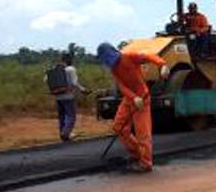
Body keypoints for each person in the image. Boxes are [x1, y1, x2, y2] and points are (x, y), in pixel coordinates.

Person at [96, 42, 167, 173]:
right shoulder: (114, 68)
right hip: (129, 100)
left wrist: (162, 64)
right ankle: (137, 154)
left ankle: (146, 163)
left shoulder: (129, 57)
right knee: (119, 127)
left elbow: (149, 56)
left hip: (143, 99)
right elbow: (122, 85)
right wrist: (133, 97)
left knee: (142, 134)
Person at [46, 52, 89, 142]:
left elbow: (46, 79)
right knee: (71, 115)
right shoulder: (71, 69)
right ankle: (65, 133)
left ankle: (63, 134)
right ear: (70, 59)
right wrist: (83, 89)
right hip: (68, 96)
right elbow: (74, 83)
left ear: (61, 59)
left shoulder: (54, 69)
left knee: (62, 116)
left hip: (58, 96)